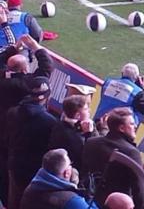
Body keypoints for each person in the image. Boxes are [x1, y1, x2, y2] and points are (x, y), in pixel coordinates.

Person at [0, 35, 51, 205]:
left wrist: (13, 49)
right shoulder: (28, 84)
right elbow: (46, 68)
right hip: (20, 136)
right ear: (24, 69)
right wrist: (36, 47)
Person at [6, 76, 57, 209]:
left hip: (14, 162)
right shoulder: (49, 121)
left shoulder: (13, 111)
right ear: (46, 97)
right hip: (33, 170)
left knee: (14, 200)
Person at [82, 108, 144, 209]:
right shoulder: (132, 153)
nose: (135, 126)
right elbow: (139, 190)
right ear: (121, 128)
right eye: (132, 124)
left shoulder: (91, 142)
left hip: (89, 200)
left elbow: (83, 171)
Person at [20, 148, 98, 209]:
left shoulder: (30, 190)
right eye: (70, 164)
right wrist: (89, 197)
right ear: (67, 173)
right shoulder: (71, 201)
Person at [93, 63, 144, 127]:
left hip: (99, 122)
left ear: (122, 73)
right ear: (137, 78)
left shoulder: (108, 83)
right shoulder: (137, 92)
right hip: (118, 128)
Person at [48, 95, 98, 171]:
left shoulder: (59, 124)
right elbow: (89, 155)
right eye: (86, 109)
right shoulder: (74, 137)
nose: (89, 110)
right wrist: (89, 134)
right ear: (77, 115)